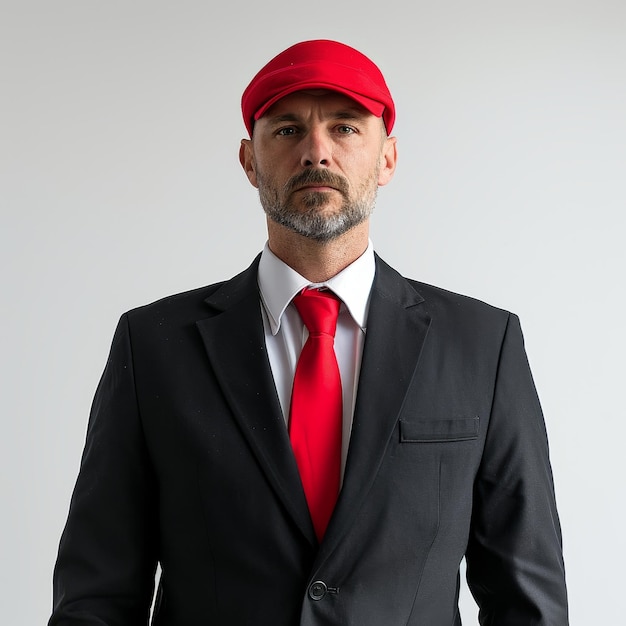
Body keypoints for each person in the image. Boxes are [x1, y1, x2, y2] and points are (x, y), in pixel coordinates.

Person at [49, 39, 569, 625]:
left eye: (345, 128)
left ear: (388, 159)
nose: (316, 152)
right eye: (288, 130)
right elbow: (96, 593)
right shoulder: (153, 346)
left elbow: (528, 601)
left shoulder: (482, 345)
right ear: (249, 160)